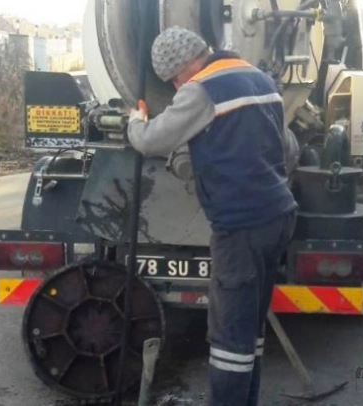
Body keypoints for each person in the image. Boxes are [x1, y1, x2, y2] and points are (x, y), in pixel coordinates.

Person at [126, 26, 298, 406]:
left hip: (240, 228)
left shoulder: (201, 89)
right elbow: (288, 148)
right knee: (250, 329)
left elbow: (151, 141)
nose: (176, 86)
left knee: (229, 337)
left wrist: (135, 120)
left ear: (187, 64)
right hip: (279, 216)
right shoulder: (261, 79)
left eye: (174, 78)